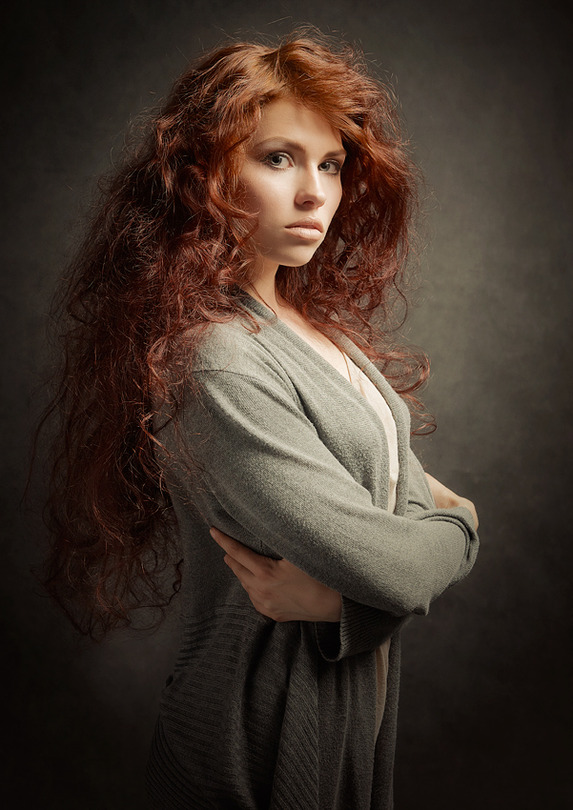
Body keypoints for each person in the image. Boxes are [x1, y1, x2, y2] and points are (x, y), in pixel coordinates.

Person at [41, 30, 479, 809]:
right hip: (253, 737)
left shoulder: (325, 338)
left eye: (330, 165)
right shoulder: (214, 358)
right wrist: (464, 528)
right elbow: (400, 563)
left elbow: (391, 548)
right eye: (277, 158)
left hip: (347, 709)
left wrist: (342, 604)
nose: (314, 191)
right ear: (202, 174)